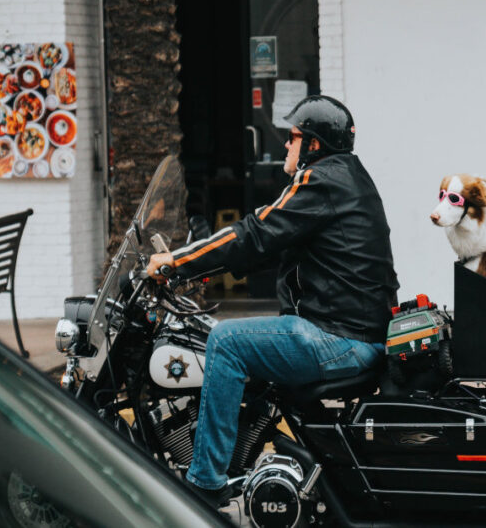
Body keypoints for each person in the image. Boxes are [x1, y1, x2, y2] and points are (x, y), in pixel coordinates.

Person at [146, 95, 399, 506]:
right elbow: (268, 244)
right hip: (352, 331)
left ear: (314, 145)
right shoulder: (347, 175)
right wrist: (206, 265)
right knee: (244, 338)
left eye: (292, 137)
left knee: (226, 342)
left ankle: (204, 485)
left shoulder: (319, 180)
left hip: (339, 338)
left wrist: (175, 262)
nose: (285, 145)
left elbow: (254, 232)